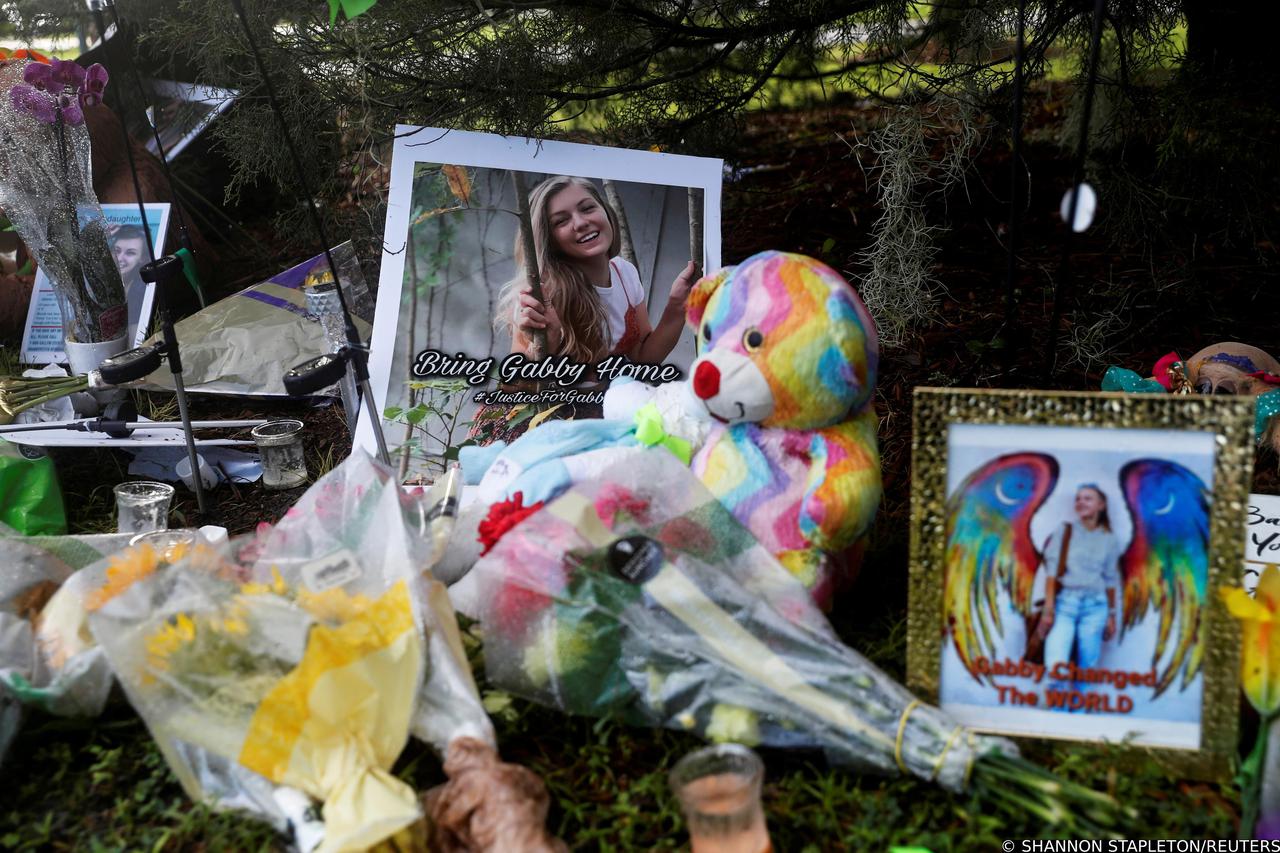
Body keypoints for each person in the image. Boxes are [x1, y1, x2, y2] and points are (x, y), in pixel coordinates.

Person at [472, 175, 698, 444]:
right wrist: (548, 343)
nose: (580, 222)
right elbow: (517, 390)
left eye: (587, 208)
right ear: (549, 238)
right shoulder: (543, 293)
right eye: (561, 221)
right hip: (543, 421)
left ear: (605, 211)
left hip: (601, 410)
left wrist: (677, 305)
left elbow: (643, 359)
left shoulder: (625, 273)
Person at [1036, 484, 1123, 701]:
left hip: (1096, 607)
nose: (1081, 502)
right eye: (1078, 499)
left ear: (1101, 505)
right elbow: (1052, 573)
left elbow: (1110, 579)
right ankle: (1058, 717)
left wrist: (1112, 614)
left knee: (1087, 670)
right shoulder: (1064, 531)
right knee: (1056, 667)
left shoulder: (1110, 540)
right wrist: (1048, 610)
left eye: (1088, 498)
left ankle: (1080, 718)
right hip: (1065, 604)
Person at [110, 224, 149, 343]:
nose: (120, 258)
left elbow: (133, 343)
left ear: (141, 258)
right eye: (117, 251)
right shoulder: (101, 284)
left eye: (130, 253)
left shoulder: (141, 291)